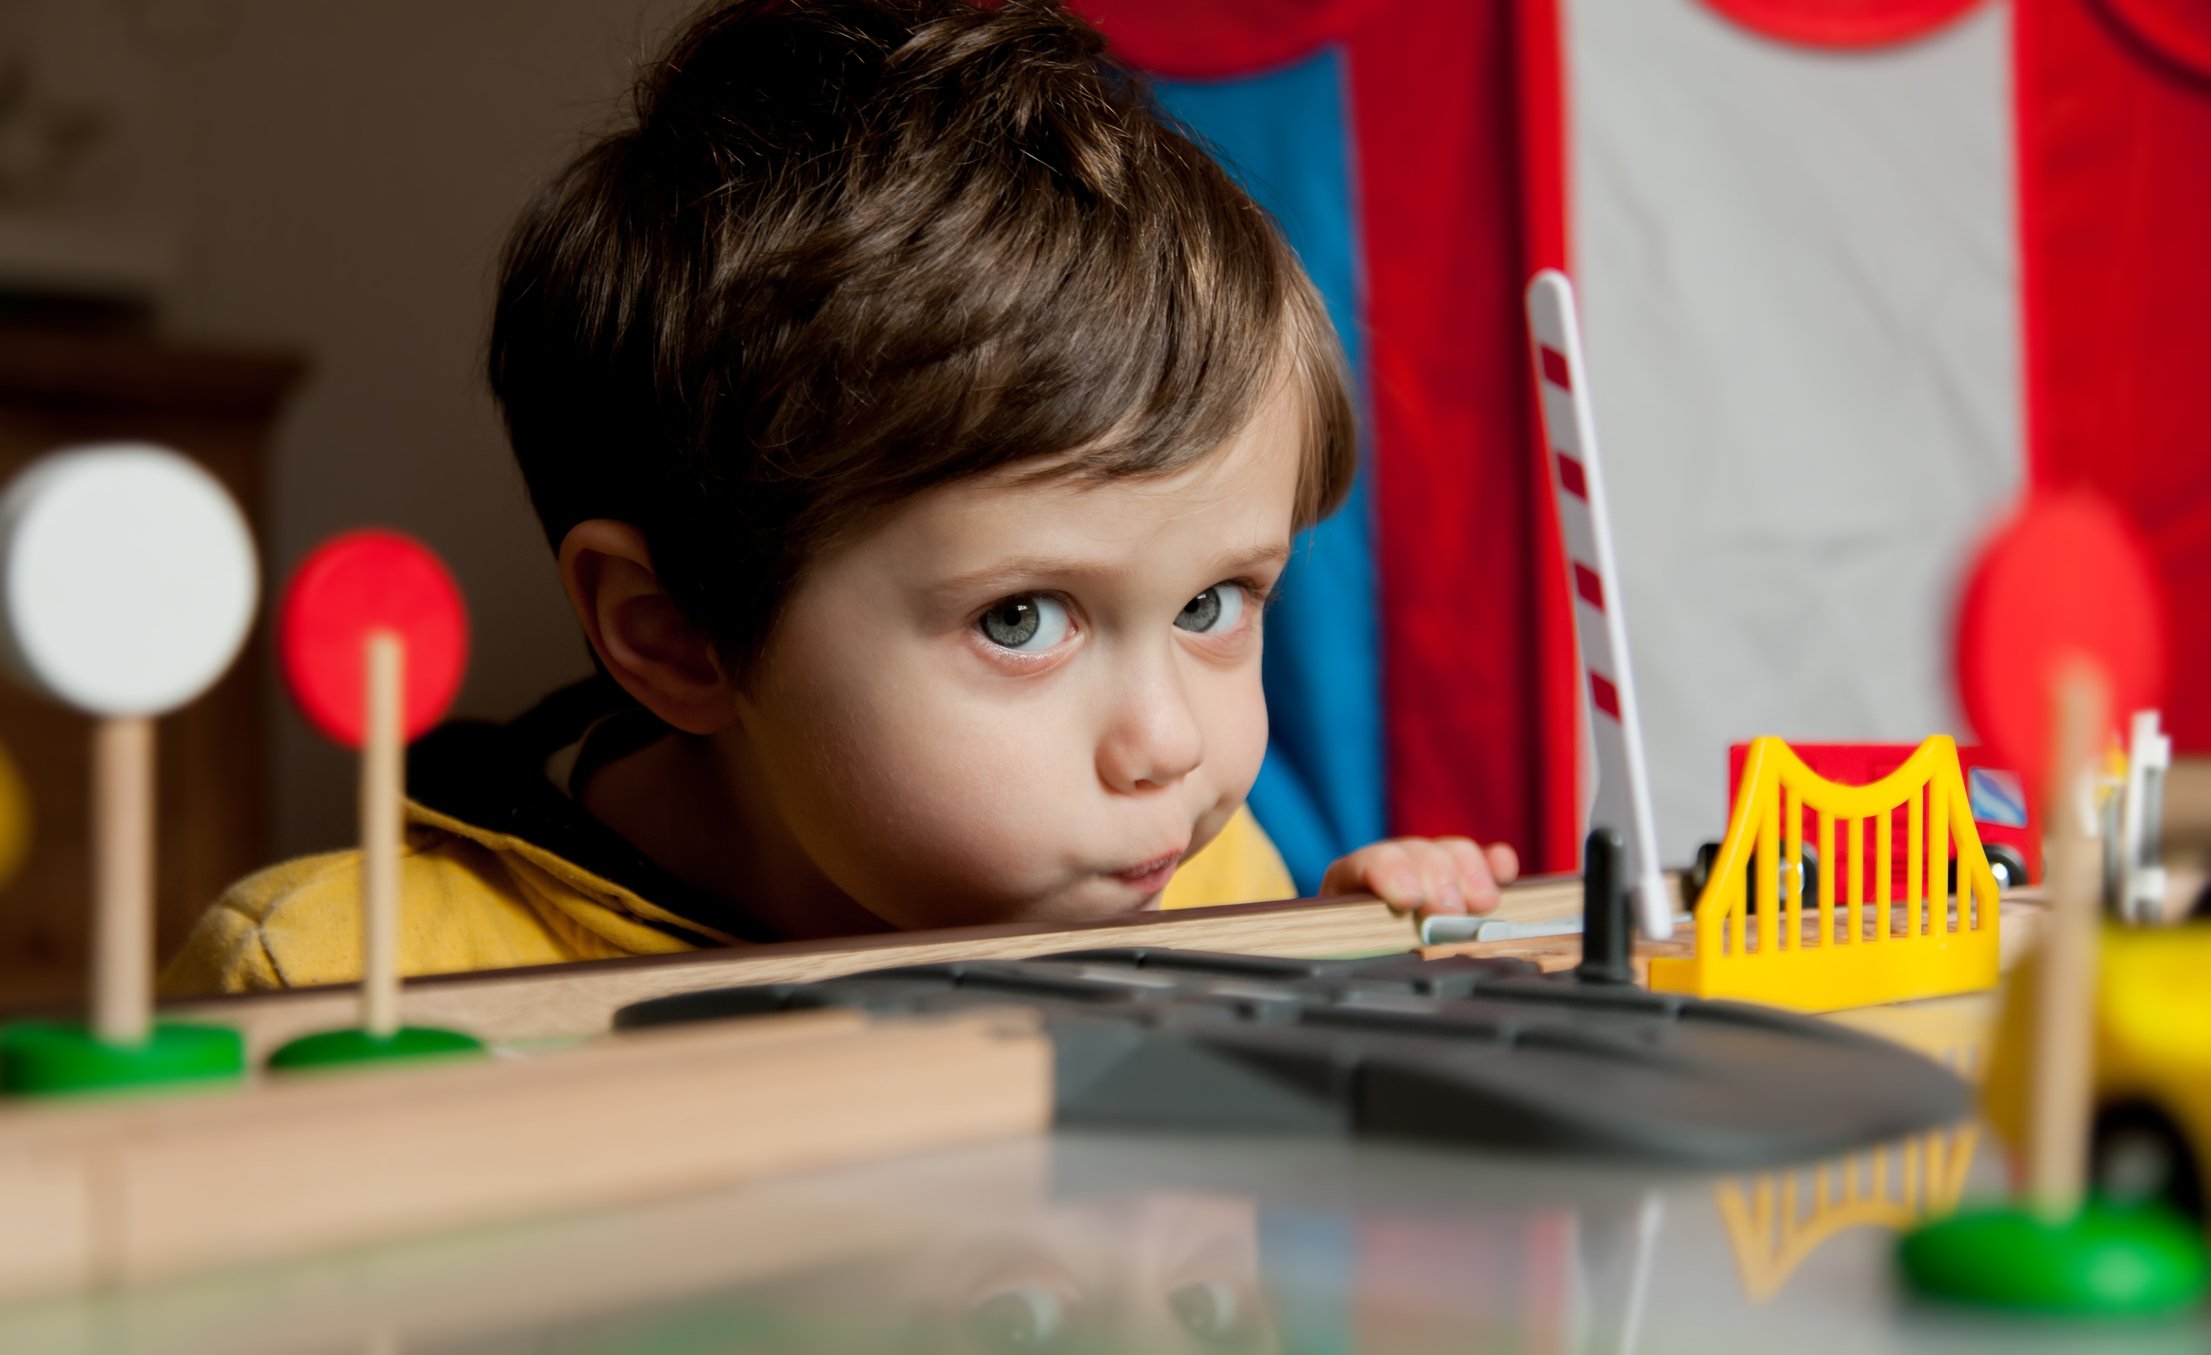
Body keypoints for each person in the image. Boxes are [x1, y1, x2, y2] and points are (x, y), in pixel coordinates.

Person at [161, 0, 1516, 996]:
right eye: (1025, 620)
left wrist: (1330, 995)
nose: (1169, 746)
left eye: (1217, 601)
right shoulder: (335, 985)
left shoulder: (1209, 891)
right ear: (676, 632)